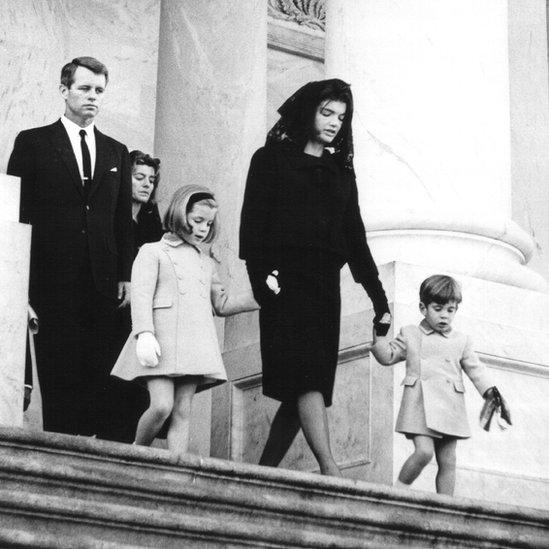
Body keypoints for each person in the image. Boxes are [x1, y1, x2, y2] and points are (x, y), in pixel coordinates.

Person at [239, 79, 391, 477]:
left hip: (326, 287)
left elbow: (355, 238)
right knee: (307, 378)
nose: (334, 123)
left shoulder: (341, 173)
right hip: (285, 284)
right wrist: (262, 281)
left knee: (304, 386)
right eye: (326, 113)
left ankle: (264, 473)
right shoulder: (270, 159)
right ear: (307, 111)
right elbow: (252, 226)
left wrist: (380, 300)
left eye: (342, 116)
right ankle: (331, 469)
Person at [7, 56, 133, 438]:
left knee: (99, 374)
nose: (93, 97)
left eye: (99, 90)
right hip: (50, 280)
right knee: (59, 371)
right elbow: (17, 213)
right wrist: (18, 282)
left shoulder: (116, 151)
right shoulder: (33, 142)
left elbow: (119, 221)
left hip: (102, 283)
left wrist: (125, 275)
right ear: (64, 91)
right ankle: (65, 450)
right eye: (84, 88)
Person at [111, 185, 258, 455]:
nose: (203, 228)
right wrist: (144, 333)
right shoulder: (152, 251)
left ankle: (176, 468)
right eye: (198, 220)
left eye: (209, 223)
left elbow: (222, 304)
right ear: (181, 213)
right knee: (161, 406)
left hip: (195, 344)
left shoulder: (206, 262)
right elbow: (141, 295)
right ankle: (135, 454)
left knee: (182, 411)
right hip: (160, 341)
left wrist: (262, 295)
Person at [370, 274, 511, 495]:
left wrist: (492, 394)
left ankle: (446, 506)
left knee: (448, 461)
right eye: (438, 308)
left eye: (450, 310)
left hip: (449, 406)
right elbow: (388, 356)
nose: (444, 315)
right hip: (419, 404)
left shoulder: (461, 340)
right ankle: (397, 493)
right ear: (423, 308)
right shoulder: (410, 333)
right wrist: (378, 339)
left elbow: (476, 369)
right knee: (424, 452)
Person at [109, 150, 164, 442]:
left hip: (141, 314)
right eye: (139, 177)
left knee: (139, 386)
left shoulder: (153, 224)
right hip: (113, 309)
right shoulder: (110, 218)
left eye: (151, 180)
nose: (146, 184)